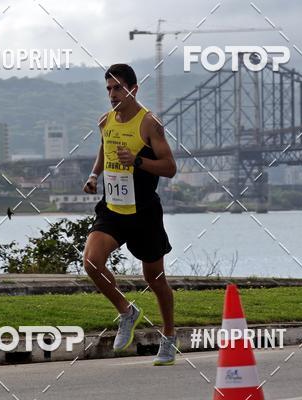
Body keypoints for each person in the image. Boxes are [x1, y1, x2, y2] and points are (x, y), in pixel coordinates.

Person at [82, 63, 178, 366]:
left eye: (118, 88)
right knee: (91, 262)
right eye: (109, 89)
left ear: (133, 89)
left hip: (144, 212)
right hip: (113, 208)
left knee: (155, 279)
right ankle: (127, 311)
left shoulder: (149, 123)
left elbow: (170, 168)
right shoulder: (106, 121)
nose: (113, 94)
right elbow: (105, 148)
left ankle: (169, 336)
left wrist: (137, 161)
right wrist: (94, 175)